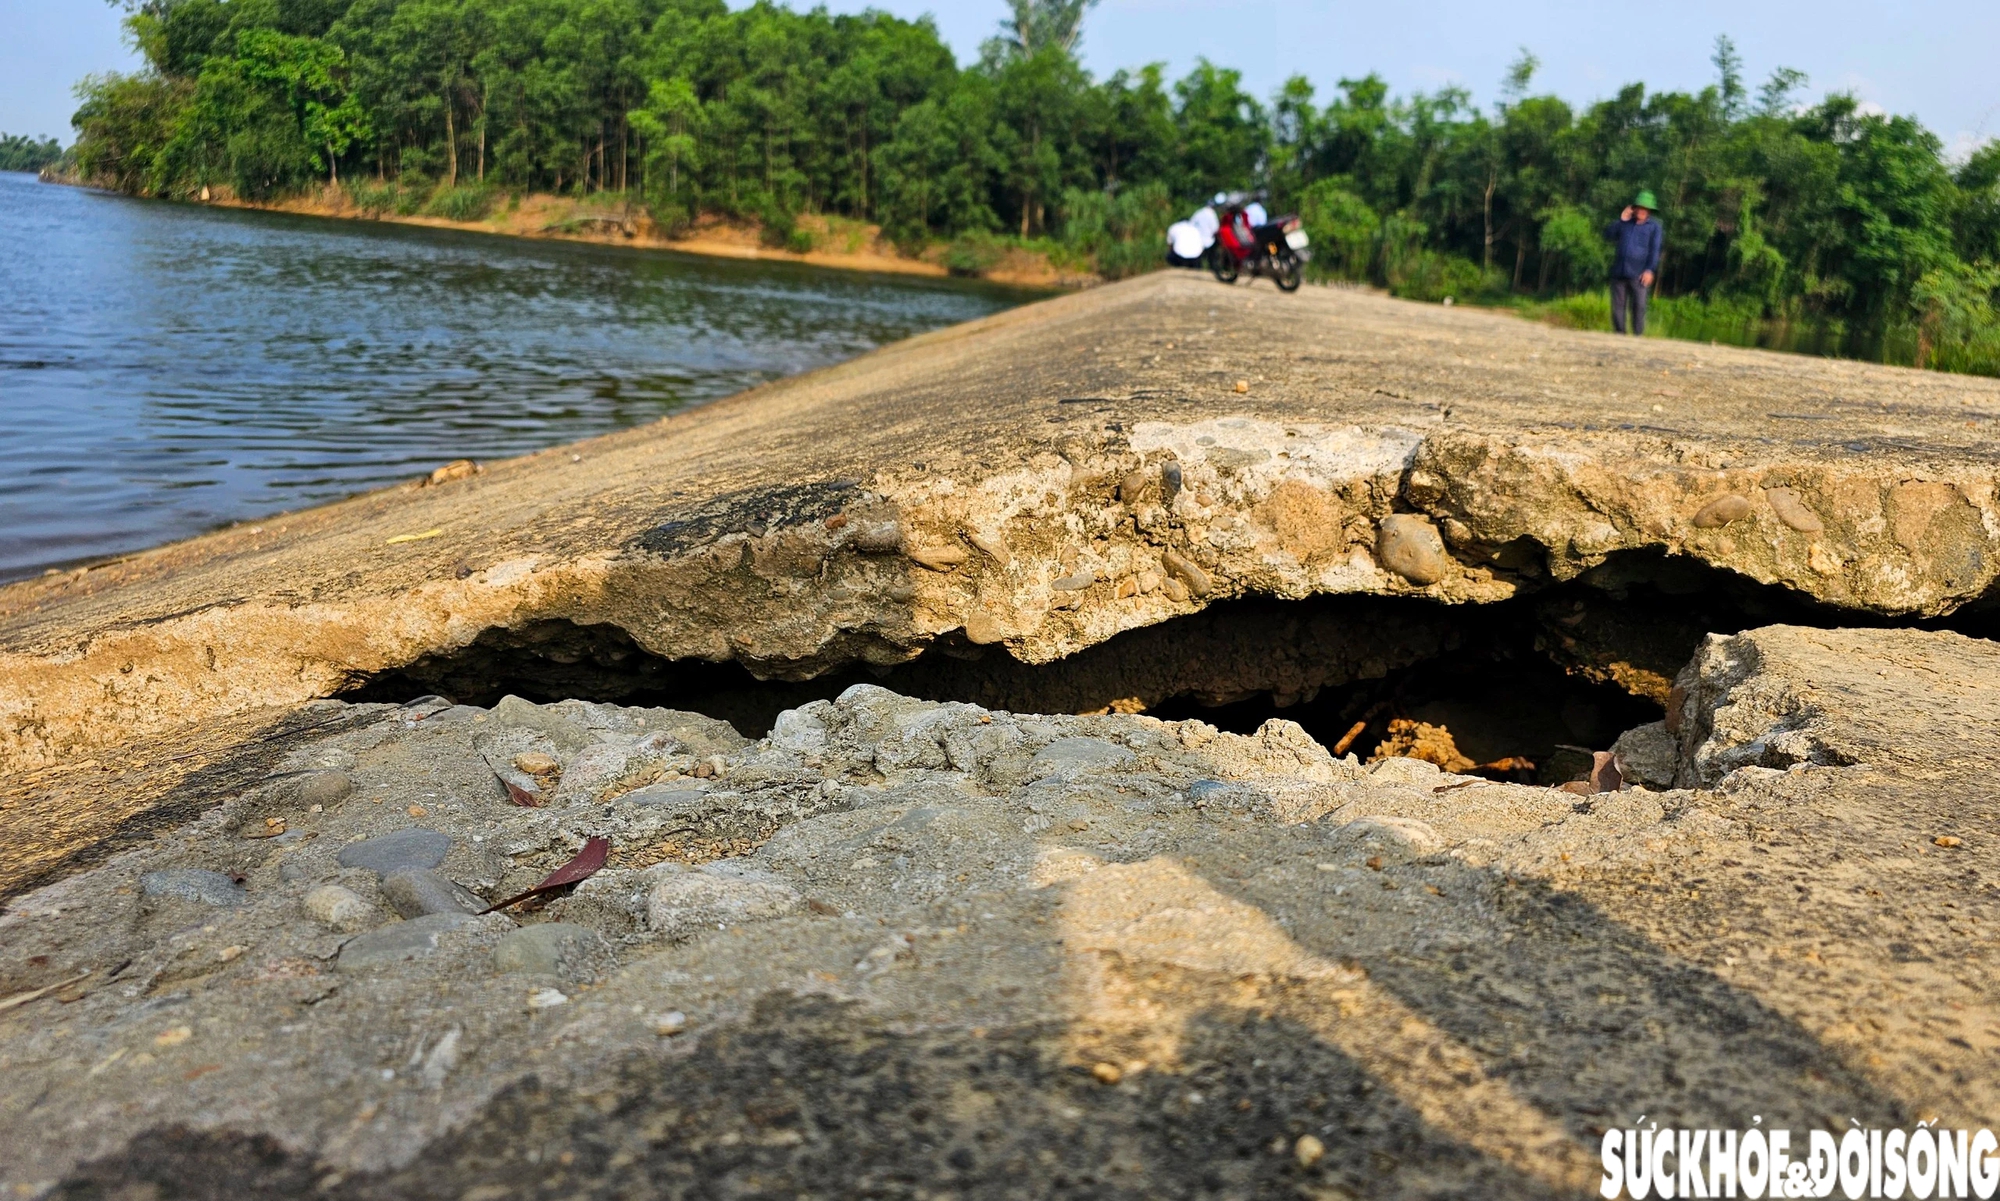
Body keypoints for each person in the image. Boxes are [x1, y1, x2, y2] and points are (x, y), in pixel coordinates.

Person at [1604, 190, 1662, 335]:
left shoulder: (1654, 227)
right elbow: (1608, 235)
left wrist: (1650, 270)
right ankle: (1619, 334)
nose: (1641, 211)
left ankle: (1637, 337)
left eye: (1645, 208)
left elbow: (1655, 250)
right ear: (1634, 208)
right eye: (1639, 207)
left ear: (1649, 211)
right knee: (1617, 306)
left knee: (1639, 306)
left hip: (1640, 274)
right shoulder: (1624, 224)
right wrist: (1621, 219)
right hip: (1620, 271)